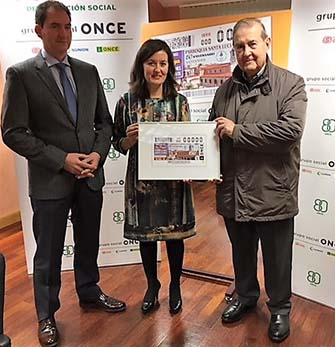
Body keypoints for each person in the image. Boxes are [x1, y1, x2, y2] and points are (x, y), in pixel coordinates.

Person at [1, 1, 126, 346]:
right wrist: (62, 159)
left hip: (90, 176)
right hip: (50, 181)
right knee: (49, 253)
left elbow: (104, 122)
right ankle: (46, 315)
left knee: (88, 244)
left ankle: (89, 291)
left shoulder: (88, 71)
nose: (63, 34)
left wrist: (98, 154)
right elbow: (13, 132)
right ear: (39, 30)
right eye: (55, 26)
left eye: (68, 26)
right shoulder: (22, 74)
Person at [209, 18, 307, 343]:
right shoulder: (224, 91)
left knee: (278, 258)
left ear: (267, 43)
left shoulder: (291, 84)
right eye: (239, 46)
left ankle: (279, 308)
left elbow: (290, 132)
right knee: (241, 253)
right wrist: (203, 165)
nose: (246, 52)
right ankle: (246, 296)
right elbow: (211, 137)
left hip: (273, 192)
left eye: (252, 44)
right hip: (234, 191)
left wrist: (239, 132)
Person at [112, 39, 196, 316]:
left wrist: (191, 169)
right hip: (141, 183)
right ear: (141, 66)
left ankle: (175, 286)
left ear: (169, 67)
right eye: (151, 63)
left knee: (174, 238)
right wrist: (130, 139)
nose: (157, 69)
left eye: (162, 63)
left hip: (173, 185)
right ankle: (152, 285)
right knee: (146, 238)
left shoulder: (180, 102)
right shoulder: (126, 102)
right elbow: (117, 144)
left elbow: (189, 144)